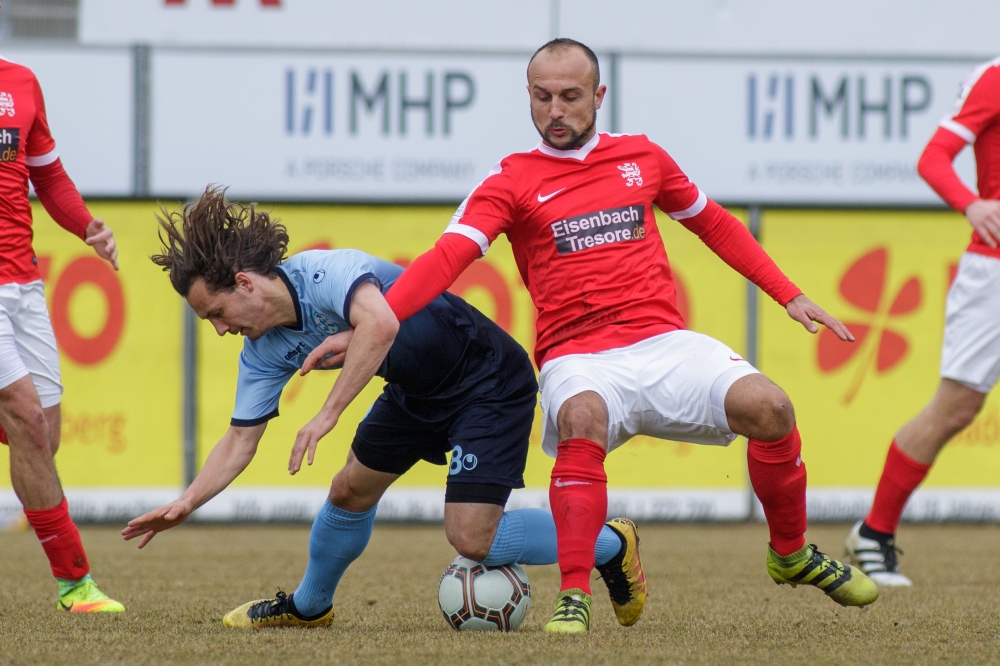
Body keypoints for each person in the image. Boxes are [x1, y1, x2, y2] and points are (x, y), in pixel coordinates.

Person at [371, 38, 879, 633]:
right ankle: (575, 593)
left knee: (771, 407)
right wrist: (379, 320)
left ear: (599, 96)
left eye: (570, 96)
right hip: (577, 355)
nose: (554, 109)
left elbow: (712, 223)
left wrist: (789, 294)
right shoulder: (511, 179)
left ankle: (790, 554)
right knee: (582, 416)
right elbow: (446, 258)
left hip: (663, 343)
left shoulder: (643, 157)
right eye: (541, 97)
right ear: (528, 97)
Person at [122, 187, 642, 628]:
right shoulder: (261, 350)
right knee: (349, 489)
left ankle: (610, 544)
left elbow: (381, 325)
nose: (218, 328)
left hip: (486, 379)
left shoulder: (326, 273)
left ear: (244, 283)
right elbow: (240, 439)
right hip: (414, 393)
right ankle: (309, 607)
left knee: (472, 539)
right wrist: (187, 502)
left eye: (215, 312)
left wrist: (327, 414)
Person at [844, 57, 1000, 587]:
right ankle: (874, 532)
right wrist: (972, 205)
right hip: (994, 270)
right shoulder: (994, 76)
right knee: (956, 408)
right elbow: (934, 158)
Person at [0, 57, 124, 612]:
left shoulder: (21, 81)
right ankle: (76, 583)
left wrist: (87, 225)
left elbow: (46, 174)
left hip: (22, 283)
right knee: (23, 415)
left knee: (43, 437)